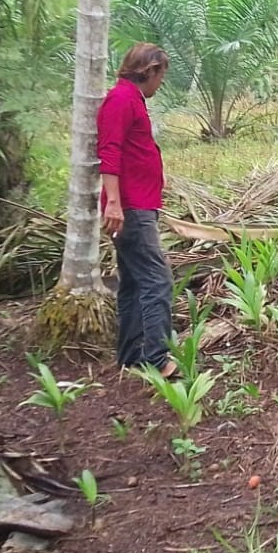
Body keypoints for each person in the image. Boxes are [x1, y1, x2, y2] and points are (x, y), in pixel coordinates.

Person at [98, 43, 178, 378]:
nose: (161, 83)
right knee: (157, 281)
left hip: (136, 204)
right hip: (131, 208)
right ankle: (157, 358)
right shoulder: (121, 100)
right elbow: (109, 151)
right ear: (151, 70)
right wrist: (114, 202)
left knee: (131, 281)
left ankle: (131, 356)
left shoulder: (131, 99)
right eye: (161, 75)